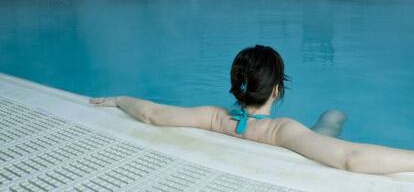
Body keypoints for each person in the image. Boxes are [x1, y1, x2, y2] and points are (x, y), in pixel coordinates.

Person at [90, 45, 414, 174]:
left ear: (236, 85)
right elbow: (350, 158)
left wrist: (119, 99)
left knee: (323, 126)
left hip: (249, 129)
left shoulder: (214, 117)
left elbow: (152, 115)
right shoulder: (282, 130)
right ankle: (331, 119)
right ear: (276, 90)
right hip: (297, 144)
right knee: (330, 121)